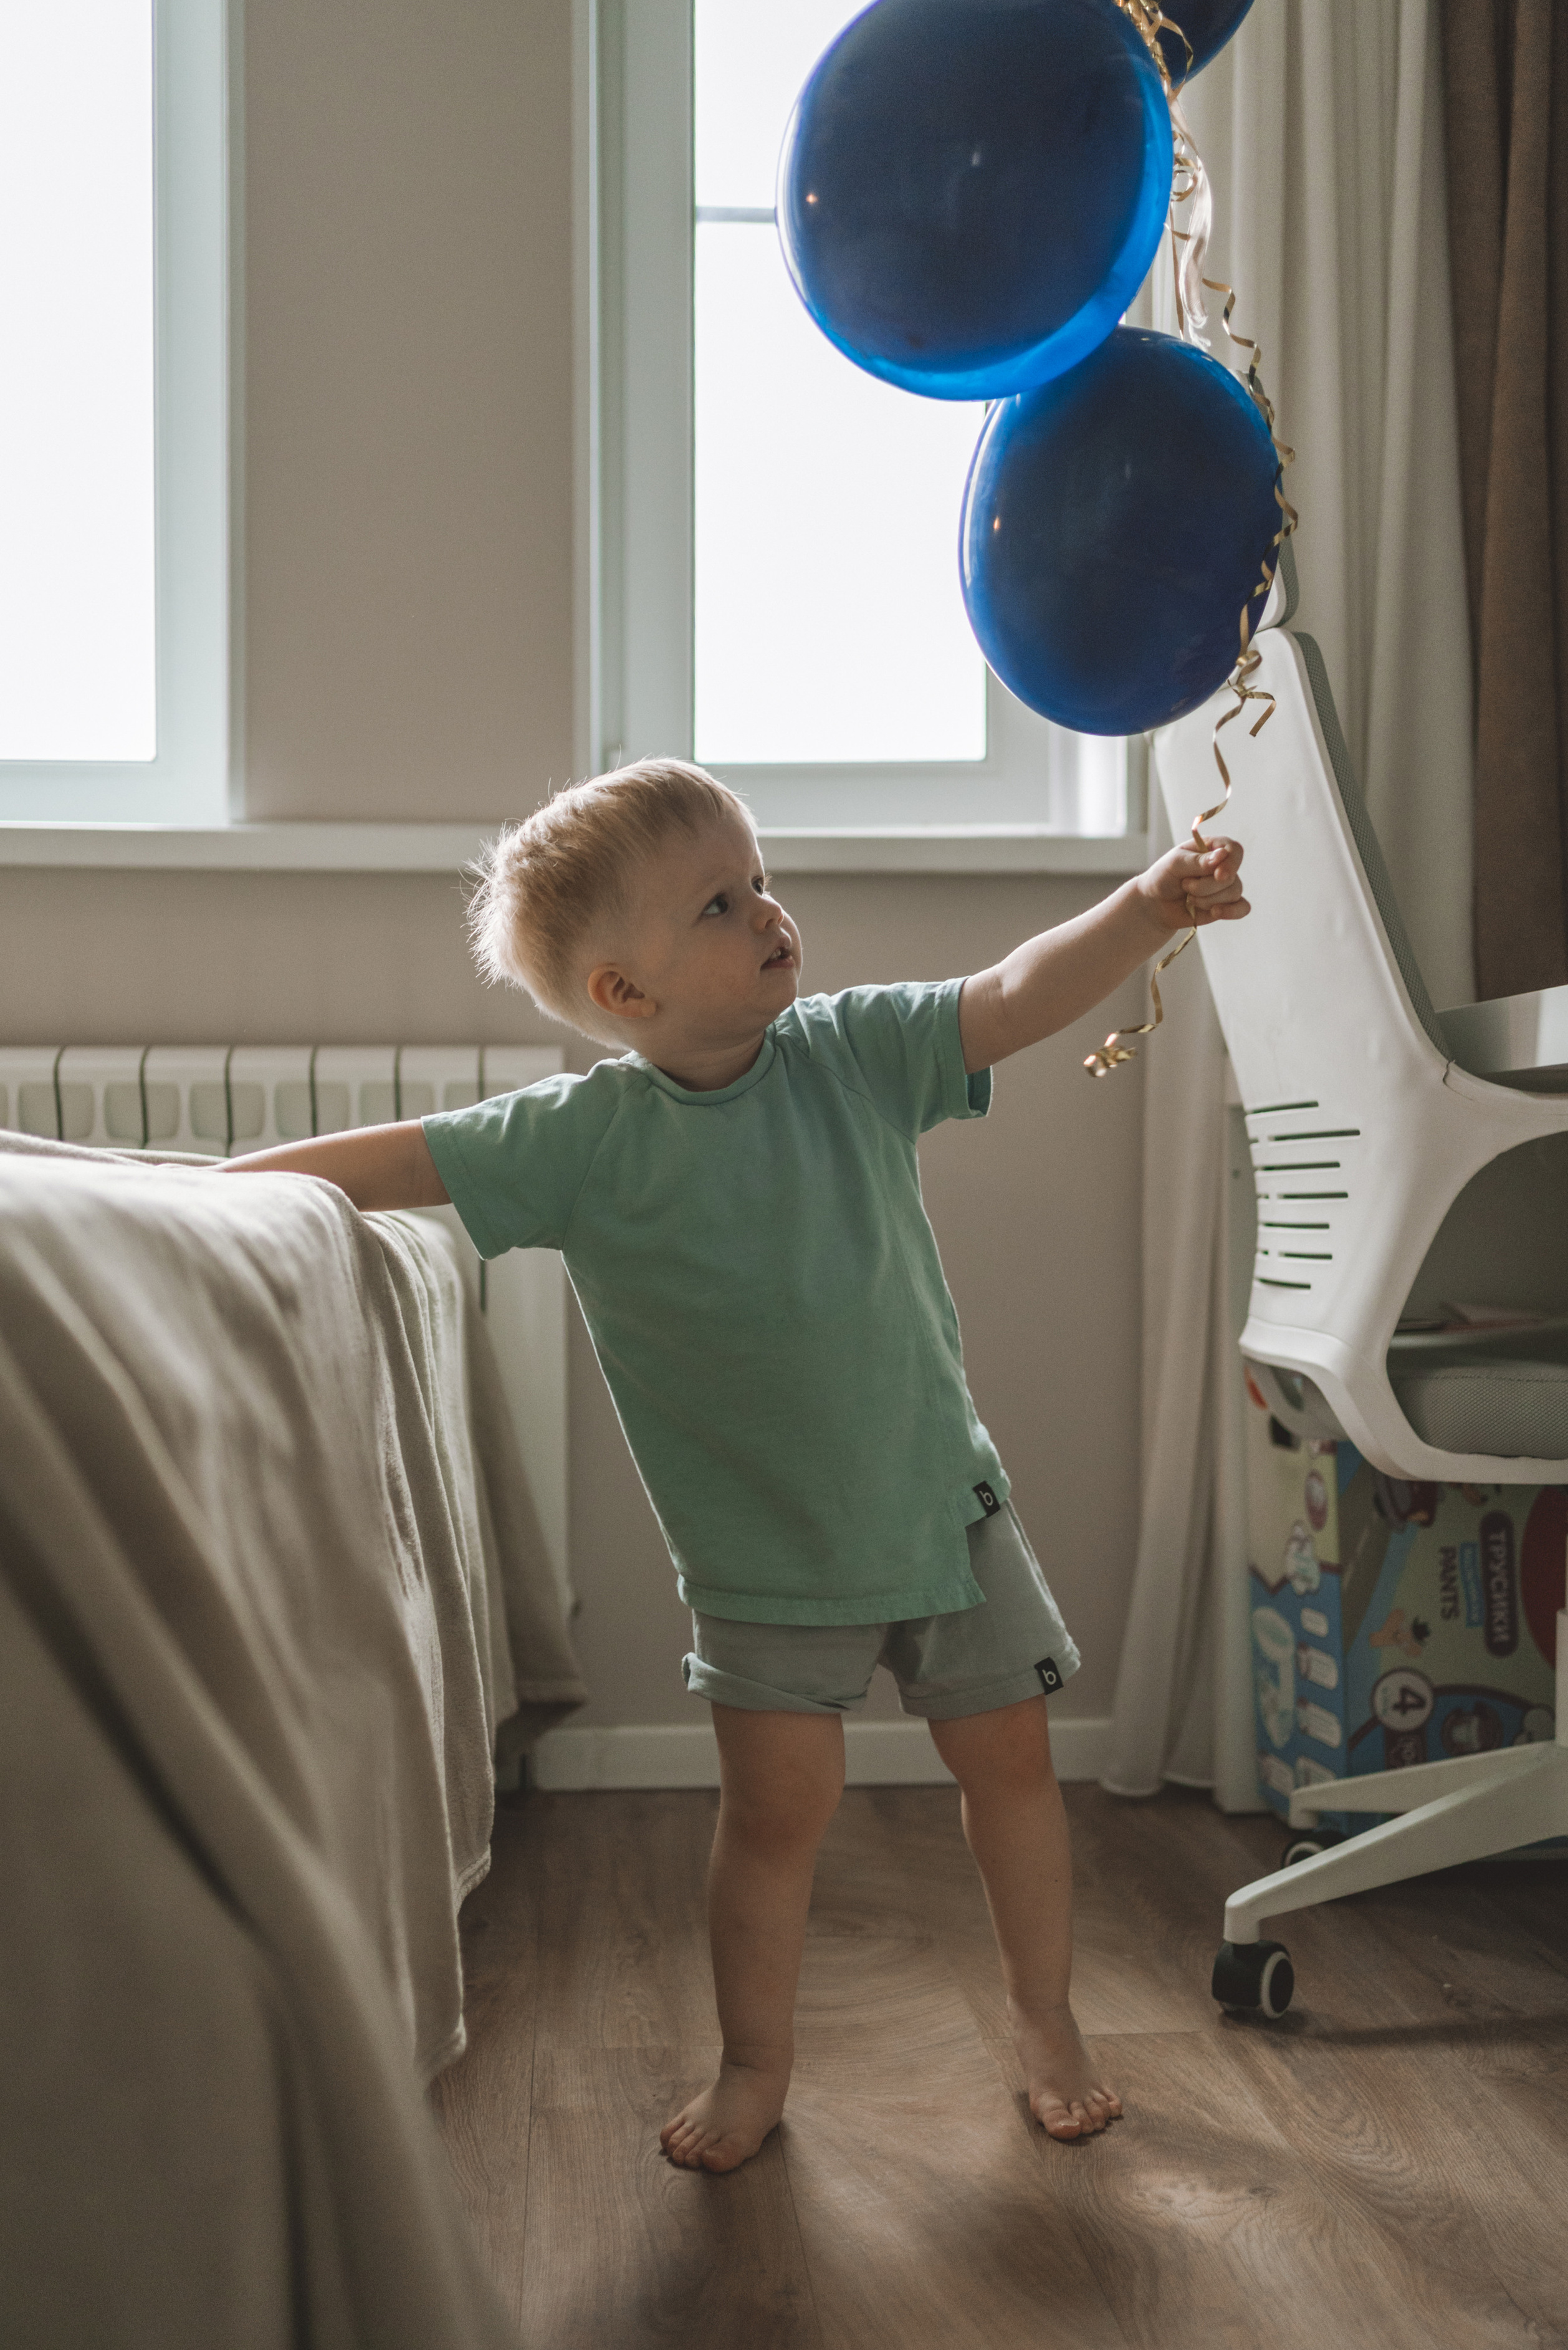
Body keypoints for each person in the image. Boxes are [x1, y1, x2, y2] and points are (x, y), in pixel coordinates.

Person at [222, 758, 1248, 2171]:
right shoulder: (579, 1141)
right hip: (763, 1553)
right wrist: (198, 1194)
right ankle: (755, 2060)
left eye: (759, 879)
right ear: (623, 998)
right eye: (719, 902)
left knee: (1009, 1767)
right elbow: (395, 1163)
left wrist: (1143, 909)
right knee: (774, 1818)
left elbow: (1008, 997)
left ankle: (1046, 2019)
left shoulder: (851, 1050)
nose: (767, 912)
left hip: (944, 1509)